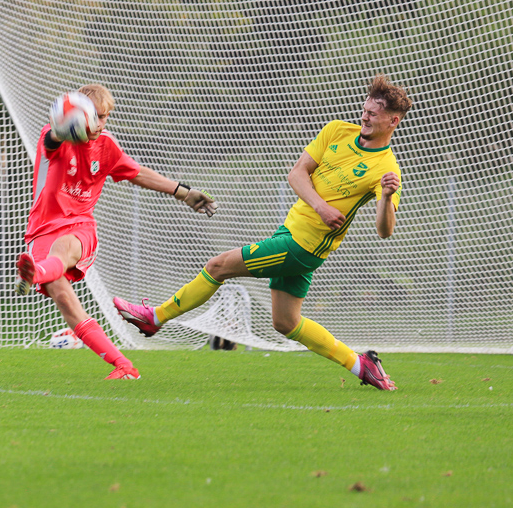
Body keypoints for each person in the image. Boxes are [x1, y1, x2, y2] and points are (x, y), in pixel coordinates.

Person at [113, 75, 412, 390]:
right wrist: (321, 207)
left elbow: (385, 230)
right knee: (286, 322)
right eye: (364, 110)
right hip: (289, 233)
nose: (364, 117)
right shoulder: (337, 130)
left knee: (218, 266)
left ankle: (154, 318)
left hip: (302, 247)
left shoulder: (386, 168)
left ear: (393, 121)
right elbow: (296, 174)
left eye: (373, 114)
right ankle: (361, 366)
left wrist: (387, 197)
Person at [17, 84, 217, 380]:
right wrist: (65, 127)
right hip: (41, 231)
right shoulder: (57, 134)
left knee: (63, 249)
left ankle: (35, 273)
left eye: (104, 117)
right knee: (65, 300)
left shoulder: (105, 145)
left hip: (80, 227)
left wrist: (183, 192)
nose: (100, 124)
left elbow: (137, 172)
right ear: (78, 116)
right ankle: (124, 366)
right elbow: (51, 140)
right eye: (95, 117)